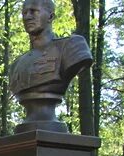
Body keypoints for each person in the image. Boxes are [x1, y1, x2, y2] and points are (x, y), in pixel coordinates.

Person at [8, 0, 92, 129]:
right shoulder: (16, 65)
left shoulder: (71, 46)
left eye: (33, 11)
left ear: (51, 16)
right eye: (24, 13)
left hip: (51, 127)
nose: (27, 17)